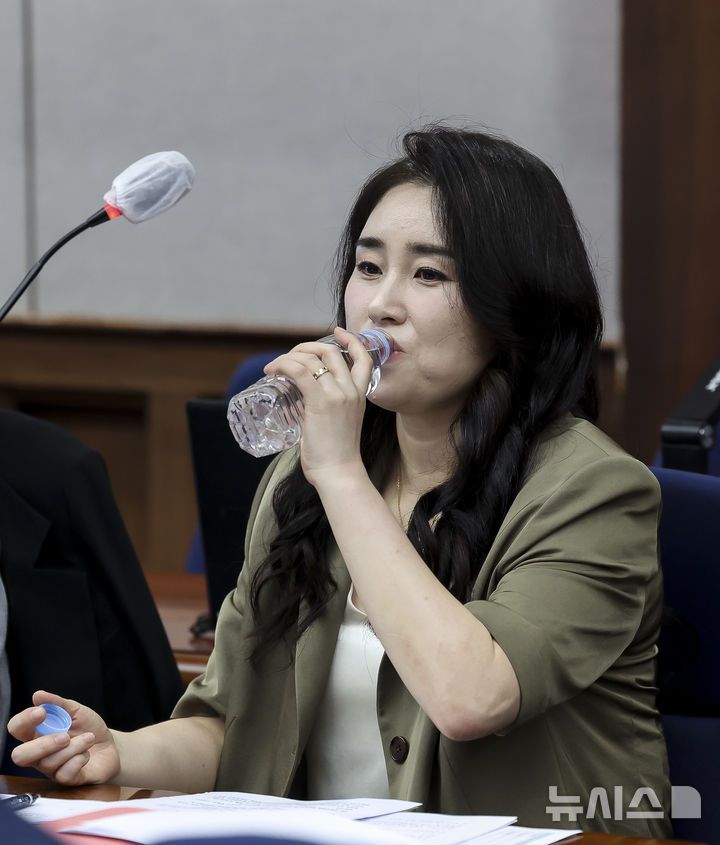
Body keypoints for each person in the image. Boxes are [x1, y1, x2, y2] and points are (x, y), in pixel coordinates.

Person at [7, 126, 672, 837]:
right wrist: (119, 749)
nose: (381, 304)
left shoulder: (595, 491)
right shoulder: (308, 477)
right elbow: (232, 727)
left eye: (429, 275)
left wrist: (340, 473)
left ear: (515, 306)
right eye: (368, 266)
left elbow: (471, 697)